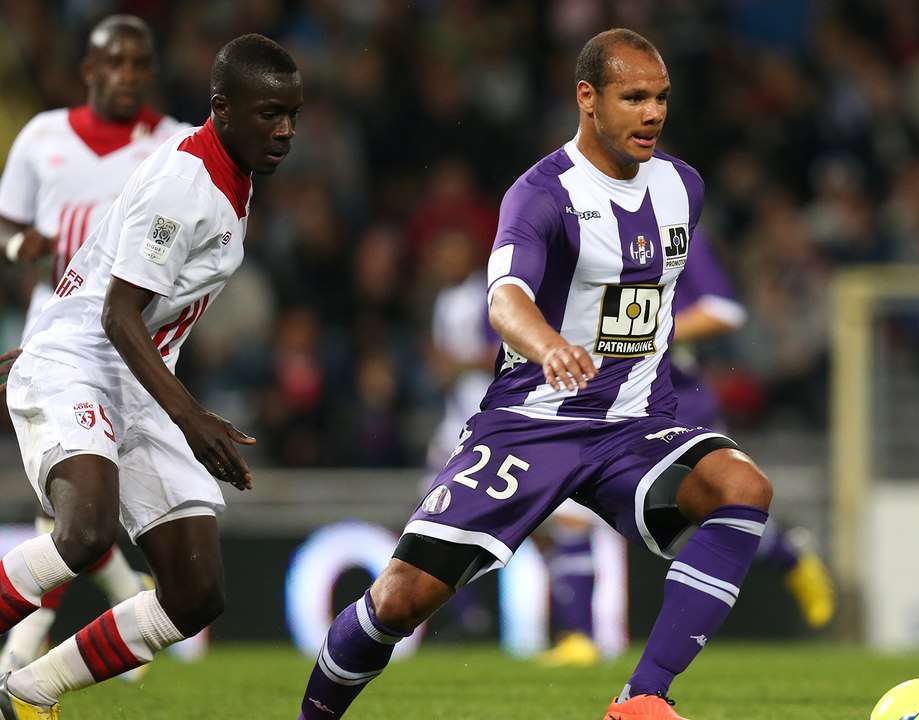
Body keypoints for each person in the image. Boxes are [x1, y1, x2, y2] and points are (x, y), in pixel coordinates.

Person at [297, 28, 773, 720]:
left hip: (633, 426)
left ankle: (641, 699)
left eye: (661, 97)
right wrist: (547, 344)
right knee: (401, 598)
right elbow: (504, 297)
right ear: (587, 98)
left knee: (742, 487)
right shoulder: (542, 193)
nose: (652, 113)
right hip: (533, 424)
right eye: (634, 97)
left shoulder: (683, 188)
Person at [0, 33, 302, 718]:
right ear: (222, 109)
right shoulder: (183, 185)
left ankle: (28, 693)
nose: (285, 131)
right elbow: (118, 313)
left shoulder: (229, 174)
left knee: (195, 594)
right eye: (269, 114)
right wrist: (191, 417)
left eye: (292, 114)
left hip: (133, 377)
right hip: (83, 365)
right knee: (85, 532)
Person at [536, 231, 836, 669]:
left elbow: (723, 310)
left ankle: (787, 554)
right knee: (572, 514)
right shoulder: (570, 235)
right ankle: (578, 637)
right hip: (598, 405)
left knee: (710, 514)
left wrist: (645, 333)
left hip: (675, 404)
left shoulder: (670, 229)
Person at [0, 14, 188, 677]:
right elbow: (7, 221)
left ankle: (60, 624)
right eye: (114, 62)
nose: (126, 76)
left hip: (132, 345)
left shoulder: (175, 147)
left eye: (138, 64)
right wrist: (19, 246)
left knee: (81, 501)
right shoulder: (43, 136)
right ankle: (33, 642)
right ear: (88, 70)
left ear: (152, 73)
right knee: (68, 494)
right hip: (54, 333)